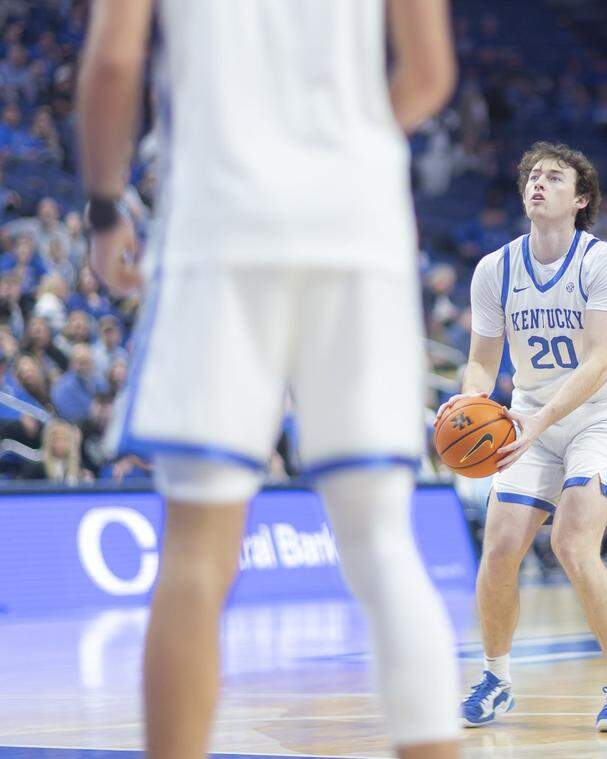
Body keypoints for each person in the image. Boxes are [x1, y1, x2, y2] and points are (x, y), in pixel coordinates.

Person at [78, 2, 458, 759]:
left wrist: (102, 204)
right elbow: (428, 74)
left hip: (222, 223)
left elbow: (114, 62)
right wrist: (340, 154)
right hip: (360, 231)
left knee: (196, 551)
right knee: (384, 542)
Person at [437, 142, 607, 732]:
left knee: (573, 544)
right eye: (532, 175)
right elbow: (482, 363)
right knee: (501, 547)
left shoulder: (603, 262)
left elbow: (601, 361)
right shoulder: (495, 269)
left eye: (554, 177)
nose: (538, 183)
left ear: (580, 199)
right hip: (529, 414)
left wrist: (538, 421)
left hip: (603, 413)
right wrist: (472, 399)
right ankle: (496, 678)